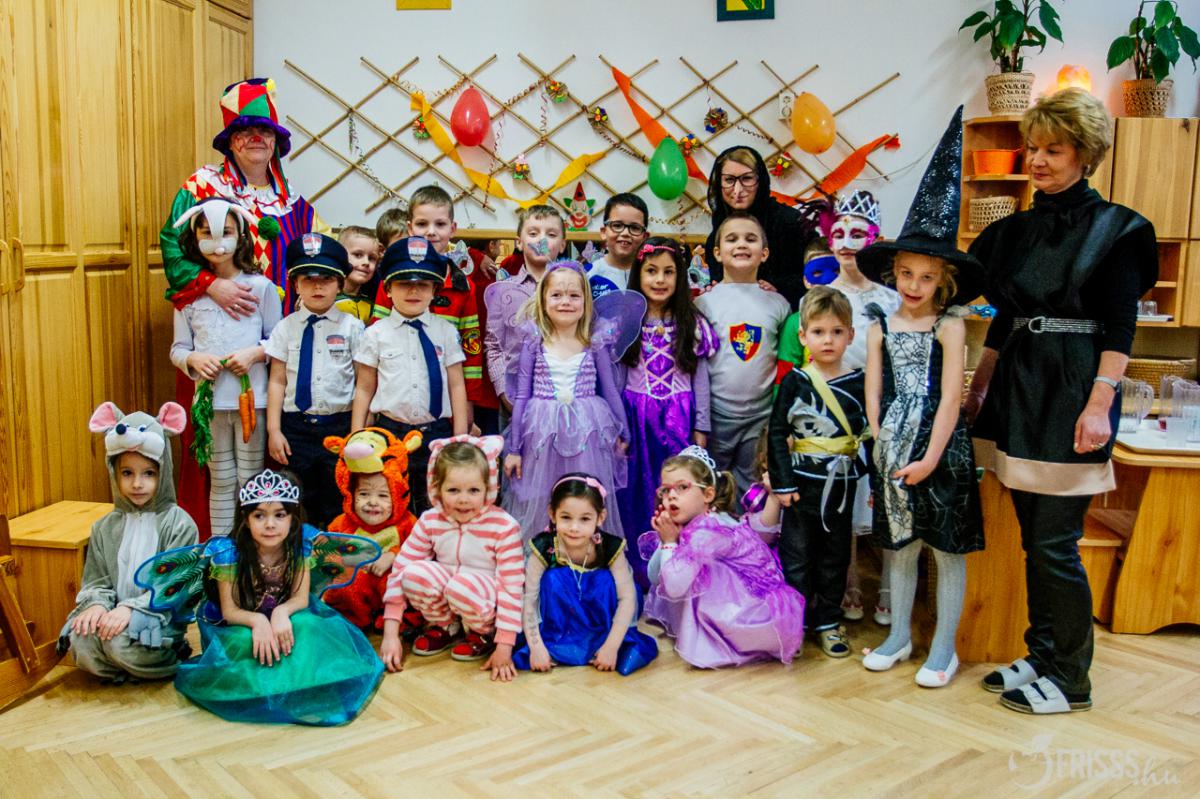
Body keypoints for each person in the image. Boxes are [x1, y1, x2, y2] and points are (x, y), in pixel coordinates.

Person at [966, 89, 1158, 714]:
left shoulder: (1116, 230)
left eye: (1054, 149)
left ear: (1085, 154)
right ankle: (1043, 652)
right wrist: (980, 385)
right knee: (1034, 539)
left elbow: (1120, 327)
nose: (1038, 160)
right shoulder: (1017, 231)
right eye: (1033, 148)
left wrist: (1100, 404)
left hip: (1073, 390)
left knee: (1055, 542)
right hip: (1020, 386)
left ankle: (1072, 678)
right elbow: (1005, 319)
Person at [160, 77, 326, 540]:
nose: (256, 139)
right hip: (213, 347)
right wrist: (210, 285)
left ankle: (268, 541)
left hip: (273, 350)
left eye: (265, 131)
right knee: (216, 460)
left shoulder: (296, 205)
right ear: (230, 141)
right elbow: (172, 247)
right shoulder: (201, 187)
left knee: (265, 447)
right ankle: (216, 544)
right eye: (245, 131)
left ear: (276, 142)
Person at [857, 107, 984, 689]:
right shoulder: (880, 324)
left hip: (942, 446)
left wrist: (932, 456)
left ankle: (945, 647)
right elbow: (873, 390)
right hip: (893, 444)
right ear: (894, 273)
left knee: (945, 548)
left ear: (944, 281)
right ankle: (899, 636)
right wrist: (879, 440)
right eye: (906, 273)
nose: (913, 285)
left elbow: (952, 397)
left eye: (926, 277)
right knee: (900, 546)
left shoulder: (950, 326)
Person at [142, 469, 384, 725]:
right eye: (259, 515)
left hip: (281, 611)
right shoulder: (229, 554)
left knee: (309, 626)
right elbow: (230, 612)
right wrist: (258, 621)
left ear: (292, 519)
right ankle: (265, 689)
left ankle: (293, 686)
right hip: (238, 621)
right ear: (246, 520)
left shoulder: (300, 546)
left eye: (280, 515)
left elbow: (300, 599)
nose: (270, 524)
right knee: (244, 642)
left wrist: (280, 612)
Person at [500, 260, 642, 542]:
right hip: (541, 433)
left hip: (587, 432)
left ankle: (584, 550)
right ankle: (544, 553)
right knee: (542, 495)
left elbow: (610, 390)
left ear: (585, 301)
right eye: (557, 295)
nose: (565, 301)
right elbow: (522, 395)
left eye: (574, 295)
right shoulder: (534, 341)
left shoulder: (594, 341)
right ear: (543, 300)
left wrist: (623, 431)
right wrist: (514, 448)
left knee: (584, 492)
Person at [58, 402, 198, 682]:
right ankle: (124, 667)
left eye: (148, 473)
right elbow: (96, 581)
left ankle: (168, 656)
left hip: (157, 618)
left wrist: (132, 609)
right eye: (127, 473)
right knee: (81, 641)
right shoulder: (104, 527)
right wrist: (97, 606)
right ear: (114, 473)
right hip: (115, 616)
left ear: (163, 472)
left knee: (117, 644)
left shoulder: (179, 523)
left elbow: (174, 585)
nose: (137, 484)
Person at [169, 199, 282, 536]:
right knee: (220, 479)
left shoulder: (261, 287)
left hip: (252, 401)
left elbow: (279, 340)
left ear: (240, 236)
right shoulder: (188, 296)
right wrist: (192, 359)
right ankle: (222, 546)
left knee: (250, 477)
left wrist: (254, 354)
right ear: (195, 237)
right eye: (207, 233)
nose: (217, 242)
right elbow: (178, 348)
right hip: (210, 405)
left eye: (226, 232)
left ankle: (252, 543)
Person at [767, 286, 868, 659]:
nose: (828, 340)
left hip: (841, 486)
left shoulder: (859, 382)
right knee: (796, 556)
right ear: (803, 336)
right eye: (819, 331)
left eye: (837, 331)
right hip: (800, 486)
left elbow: (869, 435)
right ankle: (794, 621)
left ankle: (827, 621)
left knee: (835, 557)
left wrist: (871, 480)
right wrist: (782, 483)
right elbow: (777, 431)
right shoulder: (795, 381)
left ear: (850, 335)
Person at [638, 446, 805, 668]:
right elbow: (655, 577)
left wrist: (669, 542)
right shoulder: (697, 523)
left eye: (682, 487)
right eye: (666, 491)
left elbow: (674, 587)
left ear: (708, 495)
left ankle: (717, 643)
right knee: (680, 567)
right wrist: (667, 539)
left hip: (756, 616)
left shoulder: (709, 530)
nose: (672, 496)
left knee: (692, 572)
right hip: (747, 609)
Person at [617, 237, 719, 589]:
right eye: (651, 271)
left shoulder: (691, 323)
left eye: (668, 272)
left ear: (680, 277)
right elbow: (618, 378)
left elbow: (700, 376)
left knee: (678, 491)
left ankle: (681, 575)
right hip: (637, 418)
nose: (659, 279)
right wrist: (619, 427)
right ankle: (641, 573)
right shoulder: (627, 324)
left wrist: (701, 425)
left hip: (679, 418)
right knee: (638, 491)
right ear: (638, 275)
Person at [379, 436, 524, 680]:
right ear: (436, 488)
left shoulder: (504, 527)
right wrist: (390, 635)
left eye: (474, 490)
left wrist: (504, 646)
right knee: (413, 574)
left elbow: (512, 588)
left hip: (485, 600)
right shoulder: (430, 520)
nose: (463, 499)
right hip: (454, 594)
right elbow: (400, 570)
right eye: (453, 490)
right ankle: (446, 627)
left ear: (489, 488)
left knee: (462, 585)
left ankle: (483, 634)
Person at [824, 189, 900, 625]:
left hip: (883, 409)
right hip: (836, 408)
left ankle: (888, 585)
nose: (846, 242)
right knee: (844, 500)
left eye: (857, 233)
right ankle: (850, 581)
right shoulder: (819, 295)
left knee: (886, 497)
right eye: (839, 233)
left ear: (875, 239)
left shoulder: (891, 299)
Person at [352, 236, 470, 515]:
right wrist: (356, 437)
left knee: (436, 504)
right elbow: (364, 388)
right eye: (404, 283)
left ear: (435, 289)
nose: (414, 290)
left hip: (437, 433)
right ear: (388, 288)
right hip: (391, 433)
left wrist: (460, 437)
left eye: (423, 284)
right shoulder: (375, 334)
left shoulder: (445, 331)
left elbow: (456, 385)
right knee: (392, 504)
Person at [513, 474, 658, 675]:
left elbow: (627, 598)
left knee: (606, 581)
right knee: (552, 580)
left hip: (601, 619)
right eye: (566, 517)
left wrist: (612, 647)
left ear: (600, 517)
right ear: (552, 514)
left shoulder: (610, 547)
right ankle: (557, 645)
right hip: (559, 625)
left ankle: (601, 645)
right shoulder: (544, 547)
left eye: (585, 519)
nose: (574, 528)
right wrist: (536, 648)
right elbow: (529, 600)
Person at [264, 233, 362, 529]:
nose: (317, 286)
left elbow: (363, 383)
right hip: (296, 429)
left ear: (340, 284)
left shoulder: (353, 328)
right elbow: (277, 381)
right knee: (298, 501)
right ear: (295, 284)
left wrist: (357, 432)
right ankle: (300, 551)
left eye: (326, 279)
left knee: (337, 499)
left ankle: (333, 553)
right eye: (308, 279)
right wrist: (274, 430)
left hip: (339, 427)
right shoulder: (285, 328)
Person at [696, 212, 791, 500]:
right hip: (716, 415)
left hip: (760, 418)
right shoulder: (703, 303)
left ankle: (747, 529)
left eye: (750, 239)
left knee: (752, 486)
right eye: (732, 239)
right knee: (712, 484)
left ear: (764, 253)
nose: (741, 244)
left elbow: (784, 361)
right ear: (717, 253)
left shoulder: (779, 304)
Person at [370, 187, 484, 429]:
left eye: (440, 224)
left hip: (446, 407)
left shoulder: (464, 287)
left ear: (453, 228)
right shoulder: (390, 282)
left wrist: (467, 405)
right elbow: (375, 347)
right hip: (396, 405)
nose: (431, 232)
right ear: (410, 228)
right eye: (422, 224)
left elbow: (471, 353)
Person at [322, 427, 422, 632]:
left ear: (397, 494)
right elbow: (327, 554)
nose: (372, 502)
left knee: (405, 578)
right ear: (350, 494)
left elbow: (421, 553)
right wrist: (347, 558)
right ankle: (352, 618)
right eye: (364, 494)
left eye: (383, 496)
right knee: (344, 582)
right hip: (358, 592)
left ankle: (397, 619)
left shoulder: (408, 523)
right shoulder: (341, 524)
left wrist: (394, 556)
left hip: (391, 592)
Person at [704, 146, 820, 307]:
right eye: (729, 180)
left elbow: (820, 272)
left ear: (761, 181)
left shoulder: (790, 222)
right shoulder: (718, 231)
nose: (737, 190)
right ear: (719, 183)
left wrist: (780, 289)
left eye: (747, 179)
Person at [484, 205, 567, 419]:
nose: (541, 240)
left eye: (551, 235)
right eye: (533, 233)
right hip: (514, 400)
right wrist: (505, 393)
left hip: (564, 398)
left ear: (562, 244)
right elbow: (494, 346)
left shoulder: (573, 290)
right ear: (519, 242)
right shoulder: (503, 291)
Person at [586, 193, 650, 296]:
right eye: (617, 225)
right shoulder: (587, 274)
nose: (625, 233)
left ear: (645, 237)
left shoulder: (653, 275)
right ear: (604, 232)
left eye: (635, 228)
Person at [335, 225, 381, 322]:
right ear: (340, 256)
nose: (366, 262)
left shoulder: (371, 305)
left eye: (372, 258)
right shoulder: (327, 301)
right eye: (358, 255)